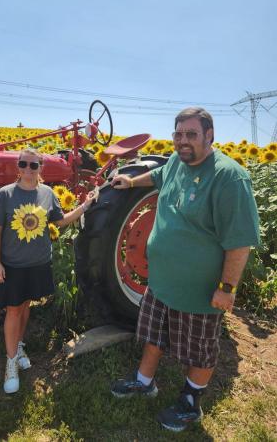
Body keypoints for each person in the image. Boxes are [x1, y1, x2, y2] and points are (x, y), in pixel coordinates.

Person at [110, 107, 260, 432]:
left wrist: (227, 289)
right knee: (154, 336)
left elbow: (240, 243)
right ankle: (144, 382)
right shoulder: (177, 161)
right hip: (161, 280)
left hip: (199, 291)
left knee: (200, 349)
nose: (183, 141)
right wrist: (129, 181)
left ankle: (191, 403)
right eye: (178, 134)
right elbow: (158, 176)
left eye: (191, 134)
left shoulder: (228, 177)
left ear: (210, 136)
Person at [0, 148, 94, 394]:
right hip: (12, 264)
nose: (27, 169)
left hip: (37, 263)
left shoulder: (47, 194)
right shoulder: (5, 195)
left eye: (33, 165)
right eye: (23, 164)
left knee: (25, 306)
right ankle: (11, 362)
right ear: (18, 166)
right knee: (13, 310)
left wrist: (85, 206)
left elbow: (59, 221)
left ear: (40, 169)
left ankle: (19, 345)